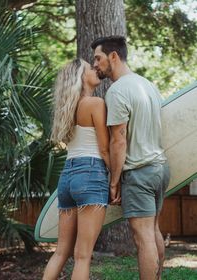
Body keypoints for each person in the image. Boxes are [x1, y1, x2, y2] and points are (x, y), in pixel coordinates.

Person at [91, 36, 170, 280]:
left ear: (113, 56)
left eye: (98, 58)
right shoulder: (147, 85)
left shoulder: (117, 91)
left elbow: (119, 140)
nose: (95, 64)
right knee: (152, 230)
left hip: (139, 172)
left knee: (142, 237)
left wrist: (114, 181)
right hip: (160, 168)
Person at [42, 58, 110, 280]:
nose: (95, 69)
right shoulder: (95, 104)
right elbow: (104, 148)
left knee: (61, 252)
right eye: (90, 68)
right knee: (82, 256)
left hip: (67, 178)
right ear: (82, 77)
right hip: (91, 174)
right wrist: (116, 178)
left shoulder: (66, 110)